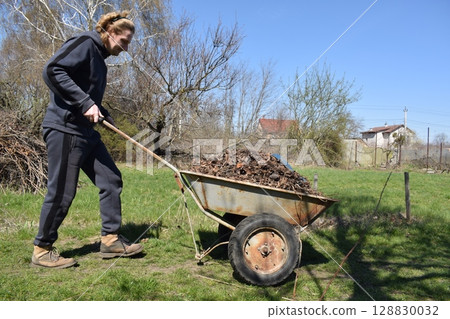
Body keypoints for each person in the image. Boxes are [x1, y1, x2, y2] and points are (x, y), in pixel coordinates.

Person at [32, 11, 143, 268]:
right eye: (124, 41)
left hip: (86, 133)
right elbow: (52, 70)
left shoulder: (100, 60)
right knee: (62, 191)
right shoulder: (84, 43)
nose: (125, 48)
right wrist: (84, 103)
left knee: (111, 178)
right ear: (110, 33)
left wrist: (105, 116)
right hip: (65, 129)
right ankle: (42, 249)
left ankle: (111, 240)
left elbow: (91, 101)